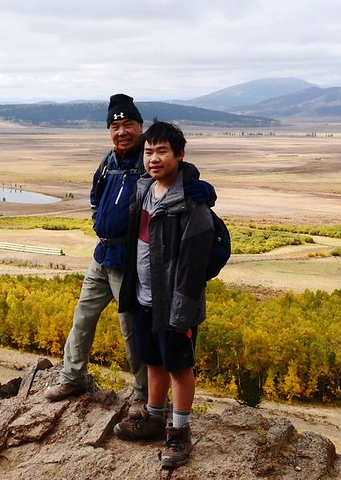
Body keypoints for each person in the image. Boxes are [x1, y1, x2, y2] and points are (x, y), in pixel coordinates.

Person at [43, 96, 216, 419]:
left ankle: (143, 396)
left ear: (140, 128)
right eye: (115, 126)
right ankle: (72, 378)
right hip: (103, 253)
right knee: (83, 318)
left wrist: (204, 189)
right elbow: (96, 195)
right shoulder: (109, 162)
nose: (121, 132)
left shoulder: (149, 159)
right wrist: (99, 221)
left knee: (133, 331)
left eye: (128, 125)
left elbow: (184, 175)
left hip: (131, 261)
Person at [113, 121, 215, 469]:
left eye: (162, 151)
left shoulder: (191, 205)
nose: (153, 158)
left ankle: (180, 431)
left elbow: (193, 267)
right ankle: (154, 417)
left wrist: (182, 313)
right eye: (148, 151)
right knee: (153, 360)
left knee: (179, 366)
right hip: (144, 297)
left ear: (179, 155)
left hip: (174, 303)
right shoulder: (145, 189)